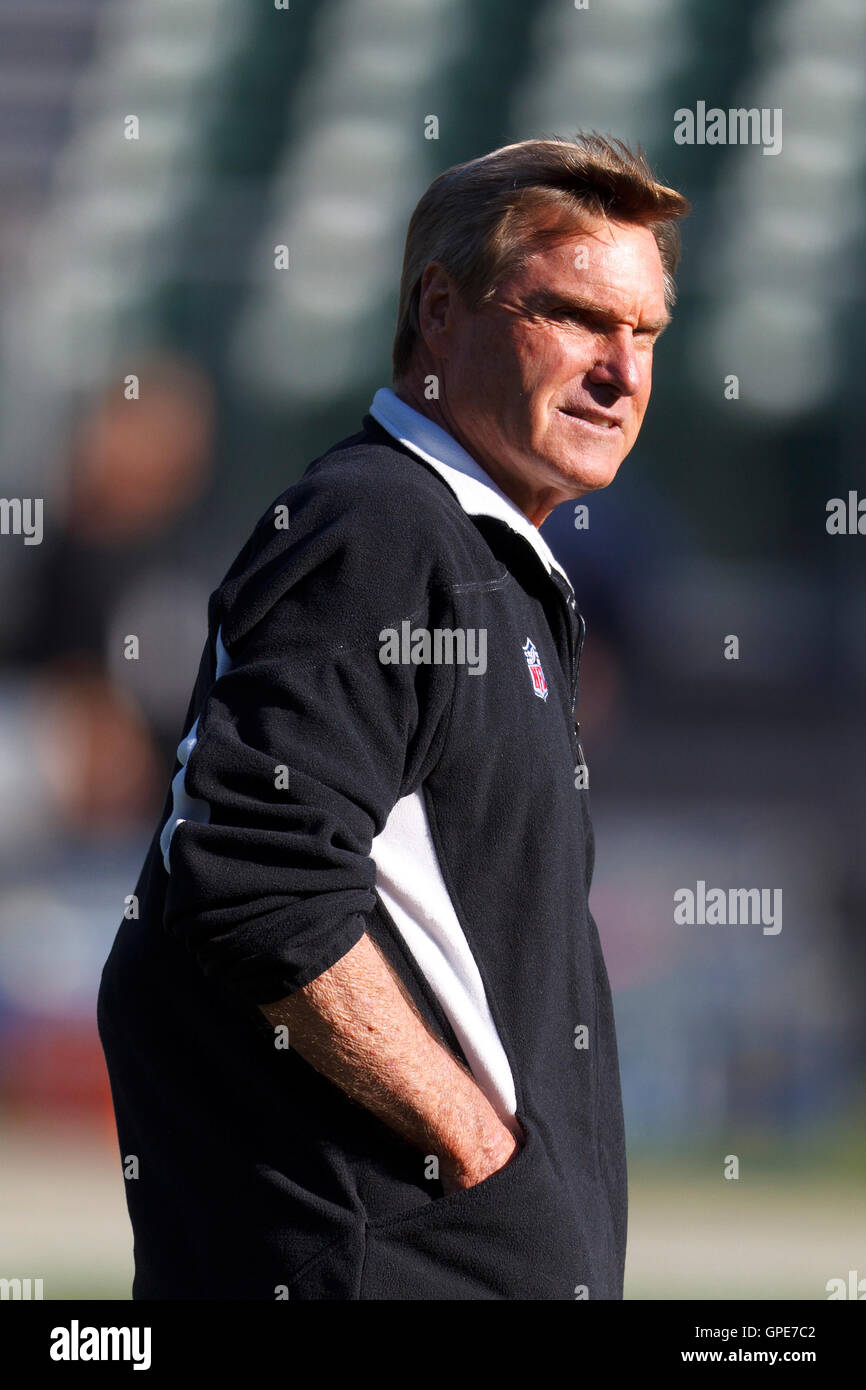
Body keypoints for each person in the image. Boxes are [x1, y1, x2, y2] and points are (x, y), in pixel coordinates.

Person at [97, 132, 689, 1300]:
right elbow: (254, 878)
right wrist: (479, 1156)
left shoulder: (473, 554)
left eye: (647, 334)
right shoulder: (377, 526)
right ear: (438, 307)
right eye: (576, 316)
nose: (620, 371)